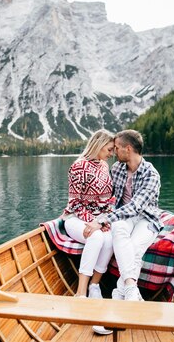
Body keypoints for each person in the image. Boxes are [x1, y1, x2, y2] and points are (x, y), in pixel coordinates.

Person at [83, 129, 162, 301]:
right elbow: (106, 196)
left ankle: (121, 291)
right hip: (123, 217)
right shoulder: (117, 168)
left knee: (133, 246)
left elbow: (135, 207)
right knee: (118, 228)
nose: (113, 152)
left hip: (146, 217)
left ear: (128, 149)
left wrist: (101, 221)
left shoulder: (151, 174)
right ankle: (130, 290)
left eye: (117, 148)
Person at [60, 129, 116, 301]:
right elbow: (75, 203)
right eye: (109, 149)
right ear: (98, 145)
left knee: (109, 239)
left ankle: (94, 285)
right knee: (96, 237)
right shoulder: (78, 166)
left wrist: (103, 220)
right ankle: (81, 292)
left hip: (99, 219)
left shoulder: (105, 166)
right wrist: (94, 222)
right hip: (75, 218)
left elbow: (110, 199)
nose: (111, 153)